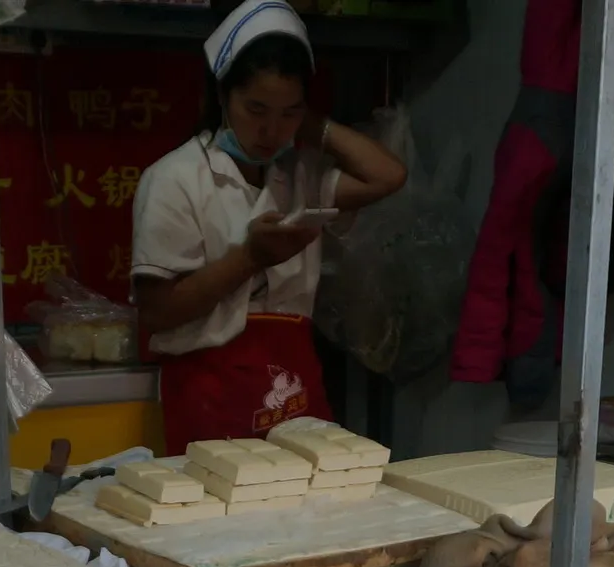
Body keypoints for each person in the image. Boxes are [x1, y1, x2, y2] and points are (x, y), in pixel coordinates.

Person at [130, 0, 407, 447]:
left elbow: (388, 176)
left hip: (295, 389)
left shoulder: (299, 175)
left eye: (288, 113)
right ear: (222, 96)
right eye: (256, 110)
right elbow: (157, 312)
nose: (271, 130)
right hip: (210, 397)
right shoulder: (175, 179)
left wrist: (311, 126)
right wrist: (250, 257)